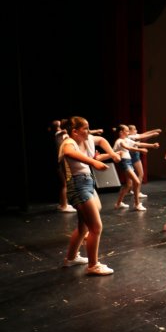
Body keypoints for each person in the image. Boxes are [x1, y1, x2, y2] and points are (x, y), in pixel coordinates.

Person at [59, 116, 121, 276]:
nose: (89, 131)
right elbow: (68, 152)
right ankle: (93, 265)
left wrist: (112, 154)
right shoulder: (68, 142)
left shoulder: (87, 140)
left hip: (87, 182)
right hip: (78, 184)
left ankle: (71, 258)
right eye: (85, 128)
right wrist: (93, 162)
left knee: (83, 226)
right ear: (75, 131)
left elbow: (101, 140)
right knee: (96, 227)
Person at [113, 124, 159, 211]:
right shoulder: (119, 141)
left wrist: (152, 145)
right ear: (121, 132)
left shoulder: (126, 139)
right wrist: (140, 150)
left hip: (128, 162)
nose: (128, 132)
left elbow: (138, 143)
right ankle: (137, 204)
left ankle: (118, 203)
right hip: (124, 163)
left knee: (128, 185)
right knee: (137, 181)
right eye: (126, 131)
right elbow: (128, 147)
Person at [127, 124, 162, 198]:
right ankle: (137, 192)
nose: (136, 131)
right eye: (134, 129)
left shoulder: (133, 136)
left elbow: (143, 134)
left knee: (132, 175)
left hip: (133, 155)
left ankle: (132, 190)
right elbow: (142, 137)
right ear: (129, 131)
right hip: (134, 156)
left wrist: (154, 131)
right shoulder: (130, 137)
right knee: (140, 173)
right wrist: (153, 135)